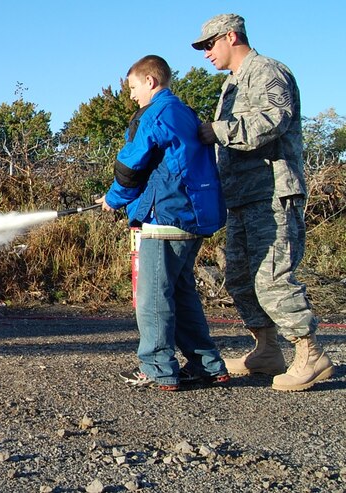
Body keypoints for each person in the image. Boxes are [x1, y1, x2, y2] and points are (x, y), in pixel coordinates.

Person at [192, 14, 334, 392]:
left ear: (231, 36)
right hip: (241, 197)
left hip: (272, 193)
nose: (206, 54)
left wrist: (217, 130)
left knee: (272, 277)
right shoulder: (230, 85)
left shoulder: (268, 71)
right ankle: (266, 349)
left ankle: (310, 354)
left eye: (209, 44)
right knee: (239, 279)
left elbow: (273, 120)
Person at [97, 55, 229, 391]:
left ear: (151, 82)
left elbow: (131, 163)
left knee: (153, 298)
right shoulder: (183, 111)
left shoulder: (155, 113)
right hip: (191, 216)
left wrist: (113, 199)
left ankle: (158, 368)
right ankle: (208, 366)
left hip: (166, 217)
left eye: (133, 87)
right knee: (181, 294)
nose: (130, 96)